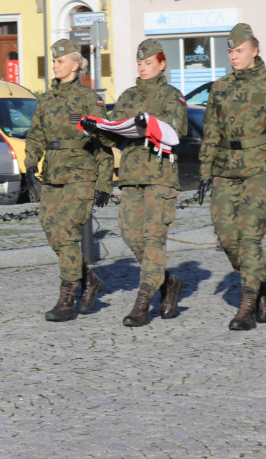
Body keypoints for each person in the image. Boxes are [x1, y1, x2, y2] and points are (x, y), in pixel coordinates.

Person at [197, 23, 266, 330]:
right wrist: (205, 170)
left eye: (239, 51)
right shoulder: (220, 87)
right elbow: (210, 132)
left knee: (249, 236)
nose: (234, 56)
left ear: (255, 50)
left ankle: (246, 306)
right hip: (226, 170)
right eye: (230, 51)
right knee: (227, 237)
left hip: (260, 169)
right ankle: (262, 284)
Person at [83, 39, 187, 326]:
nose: (143, 68)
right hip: (130, 175)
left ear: (162, 64)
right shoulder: (128, 95)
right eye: (140, 63)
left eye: (148, 63)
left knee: (153, 238)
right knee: (131, 234)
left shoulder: (172, 95)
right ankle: (168, 282)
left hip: (160, 174)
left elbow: (178, 131)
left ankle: (143, 302)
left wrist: (149, 125)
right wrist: (97, 128)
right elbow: (114, 135)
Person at [25, 39, 113, 322]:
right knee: (52, 232)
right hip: (53, 175)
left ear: (75, 64)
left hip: (80, 176)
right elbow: (36, 135)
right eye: (53, 61)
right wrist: (30, 163)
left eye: (60, 61)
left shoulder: (89, 99)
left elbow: (104, 142)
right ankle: (90, 279)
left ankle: (67, 299)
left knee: (66, 234)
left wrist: (104, 182)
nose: (54, 65)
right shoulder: (46, 100)